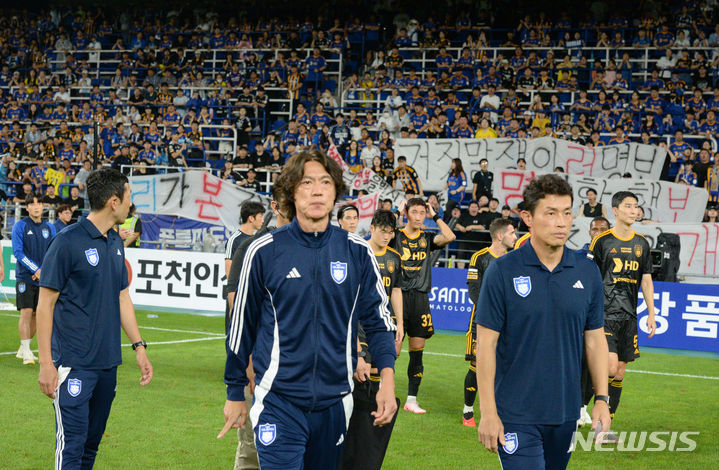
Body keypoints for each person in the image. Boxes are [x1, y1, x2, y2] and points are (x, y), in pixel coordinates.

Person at [219, 150, 398, 470]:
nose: (317, 190)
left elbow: (379, 321)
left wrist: (387, 379)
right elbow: (241, 327)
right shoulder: (262, 252)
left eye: (325, 182)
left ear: (335, 192)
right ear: (291, 193)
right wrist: (235, 391)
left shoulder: (357, 252)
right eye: (307, 183)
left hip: (335, 404)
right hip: (278, 403)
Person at [476, 174, 611, 469]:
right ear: (528, 217)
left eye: (566, 212)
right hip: (514, 414)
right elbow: (485, 345)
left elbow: (595, 340)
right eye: (550, 214)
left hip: (566, 414)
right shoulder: (502, 271)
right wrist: (488, 411)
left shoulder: (587, 272)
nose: (561, 222)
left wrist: (602, 398)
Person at [36, 168, 153, 469]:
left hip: (108, 363)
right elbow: (46, 305)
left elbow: (122, 296)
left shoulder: (114, 242)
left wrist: (139, 347)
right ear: (114, 201)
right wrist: (47, 364)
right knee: (72, 448)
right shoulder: (66, 242)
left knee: (90, 447)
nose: (131, 204)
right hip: (73, 364)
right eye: (129, 197)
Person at [588, 191, 656, 441]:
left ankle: (604, 428)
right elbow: (588, 277)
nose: (633, 210)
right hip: (604, 314)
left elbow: (646, 280)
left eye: (636, 206)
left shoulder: (643, 243)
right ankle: (583, 405)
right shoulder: (602, 241)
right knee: (610, 365)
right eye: (628, 206)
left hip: (629, 317)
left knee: (619, 373)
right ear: (615, 210)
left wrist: (651, 313)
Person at [340, 209, 403, 470]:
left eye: (391, 232)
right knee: (355, 380)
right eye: (384, 230)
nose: (387, 236)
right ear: (373, 228)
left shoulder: (394, 258)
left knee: (374, 380)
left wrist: (399, 322)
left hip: (380, 326)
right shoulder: (357, 252)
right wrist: (355, 347)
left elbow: (396, 290)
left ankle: (365, 431)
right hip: (357, 329)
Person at [392, 197, 456, 413]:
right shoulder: (396, 236)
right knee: (393, 350)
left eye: (422, 213)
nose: (419, 217)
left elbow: (450, 236)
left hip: (420, 299)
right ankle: (382, 389)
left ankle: (411, 400)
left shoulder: (427, 238)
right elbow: (384, 230)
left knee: (417, 351)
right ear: (407, 213)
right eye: (415, 213)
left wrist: (435, 215)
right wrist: (397, 211)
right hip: (397, 295)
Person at [462, 219, 516, 427]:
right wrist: (492, 311)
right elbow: (473, 290)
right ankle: (468, 410)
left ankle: (499, 410)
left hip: (507, 322)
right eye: (512, 233)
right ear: (500, 236)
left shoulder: (513, 259)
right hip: (482, 321)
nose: (515, 237)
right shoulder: (480, 257)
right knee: (477, 364)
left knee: (504, 365)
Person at [12, 192, 57, 365]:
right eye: (33, 204)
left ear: (43, 206)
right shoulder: (20, 226)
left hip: (44, 277)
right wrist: (35, 269)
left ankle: (24, 347)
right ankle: (26, 352)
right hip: (25, 276)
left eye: (39, 204)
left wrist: (43, 271)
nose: (37, 207)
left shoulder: (50, 227)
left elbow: (54, 252)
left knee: (39, 314)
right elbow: (18, 252)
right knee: (26, 311)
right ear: (27, 207)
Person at [575, 216, 611, 427]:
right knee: (581, 364)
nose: (597, 232)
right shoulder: (579, 256)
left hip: (609, 317)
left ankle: (582, 408)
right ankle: (576, 408)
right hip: (585, 318)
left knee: (599, 366)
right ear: (589, 232)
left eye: (602, 229)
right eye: (594, 229)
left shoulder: (614, 257)